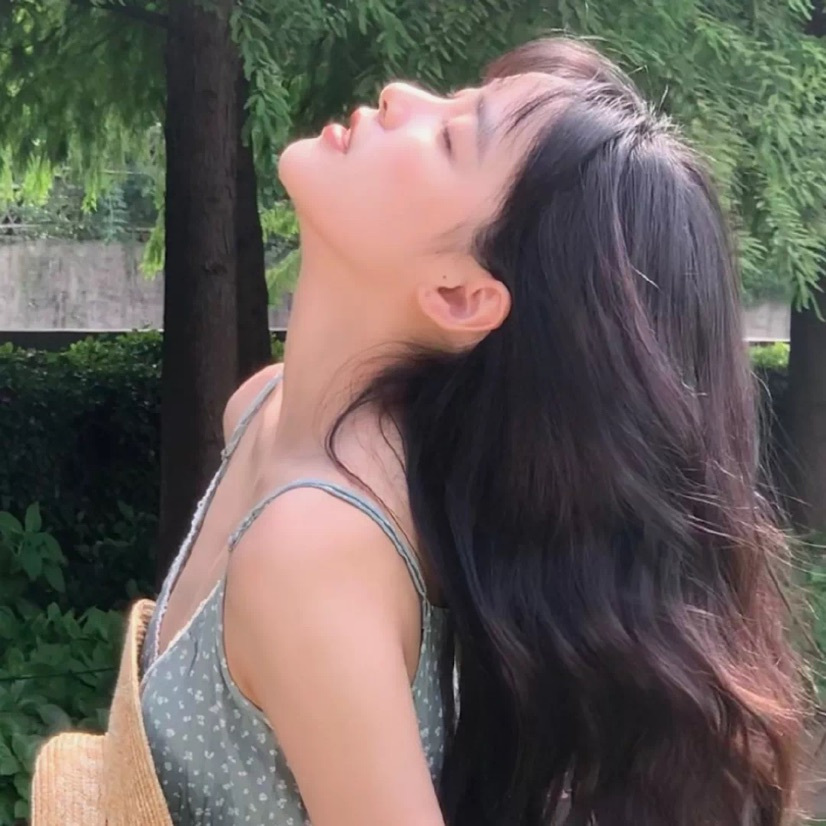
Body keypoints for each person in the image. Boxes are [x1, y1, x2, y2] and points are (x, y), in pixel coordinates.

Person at [37, 36, 806, 826]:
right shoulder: (264, 411)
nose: (400, 94)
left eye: (449, 138)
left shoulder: (315, 545)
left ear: (462, 295)